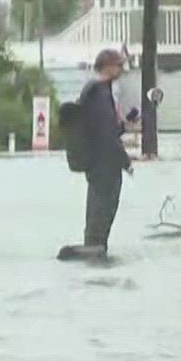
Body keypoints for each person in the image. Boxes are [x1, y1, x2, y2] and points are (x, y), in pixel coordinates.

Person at [76, 48, 134, 255]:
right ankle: (95, 248)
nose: (122, 69)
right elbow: (107, 134)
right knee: (103, 209)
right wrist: (125, 161)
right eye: (119, 65)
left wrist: (125, 125)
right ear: (108, 67)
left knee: (97, 209)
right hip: (104, 165)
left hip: (95, 162)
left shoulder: (94, 91)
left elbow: (104, 128)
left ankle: (93, 245)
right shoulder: (100, 92)